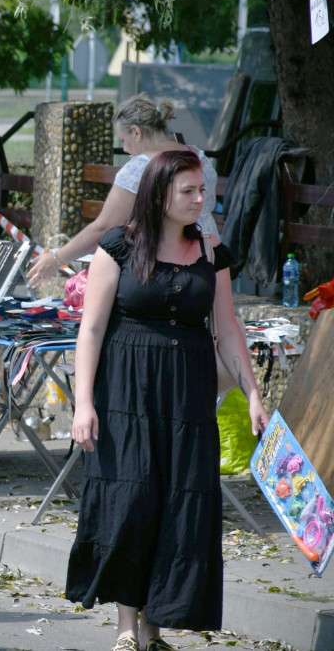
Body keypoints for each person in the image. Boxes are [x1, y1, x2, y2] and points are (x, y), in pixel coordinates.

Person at [64, 151, 267, 651]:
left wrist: (254, 392)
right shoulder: (118, 247)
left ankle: (155, 627)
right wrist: (83, 404)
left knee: (177, 503)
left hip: (187, 393)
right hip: (125, 390)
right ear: (160, 194)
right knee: (130, 501)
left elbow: (226, 329)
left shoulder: (212, 253)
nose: (201, 200)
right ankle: (126, 628)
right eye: (189, 192)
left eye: (203, 191)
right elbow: (90, 329)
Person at [27, 93, 220, 287]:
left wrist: (56, 259)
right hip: (209, 252)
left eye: (123, 140)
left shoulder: (139, 167)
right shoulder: (199, 157)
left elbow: (104, 227)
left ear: (136, 132)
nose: (125, 149)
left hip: (167, 263)